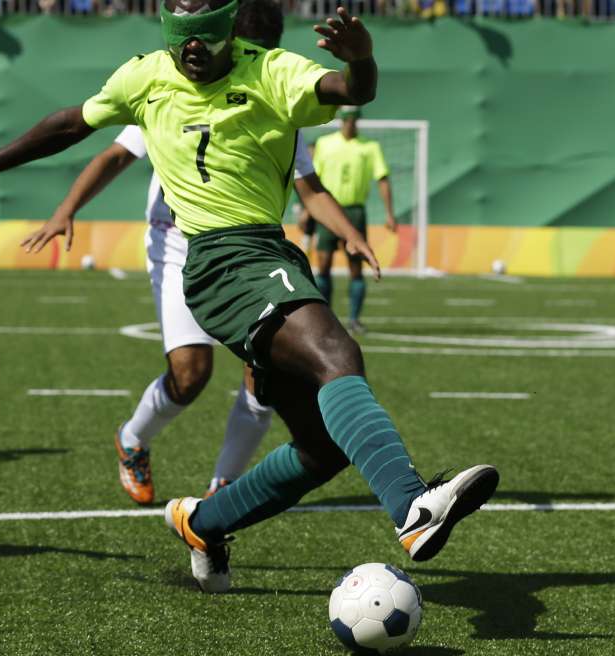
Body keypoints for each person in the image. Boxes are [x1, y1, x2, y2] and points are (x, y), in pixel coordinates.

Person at [0, 0, 498, 594]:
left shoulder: (270, 71)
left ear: (229, 30)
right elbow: (71, 124)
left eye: (205, 35)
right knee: (336, 355)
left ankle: (203, 522)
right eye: (181, 36)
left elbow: (349, 90)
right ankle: (411, 504)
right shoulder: (145, 76)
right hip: (220, 261)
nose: (191, 47)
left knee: (321, 451)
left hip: (269, 253)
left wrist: (364, 60)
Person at [18, 0, 372, 503]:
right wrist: (66, 208)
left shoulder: (273, 89)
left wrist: (352, 232)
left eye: (265, 51)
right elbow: (114, 153)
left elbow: (310, 185)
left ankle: (221, 486)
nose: (255, 59)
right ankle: (133, 439)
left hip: (249, 250)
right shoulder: (169, 84)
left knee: (264, 373)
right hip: (178, 243)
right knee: (191, 373)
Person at [311, 106, 397, 334]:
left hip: (355, 212)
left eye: (354, 119)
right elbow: (312, 180)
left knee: (355, 266)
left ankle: (354, 319)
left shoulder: (370, 147)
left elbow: (383, 179)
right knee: (324, 265)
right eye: (347, 119)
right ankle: (325, 319)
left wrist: (390, 213)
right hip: (328, 211)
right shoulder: (324, 144)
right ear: (340, 120)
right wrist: (305, 209)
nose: (350, 123)